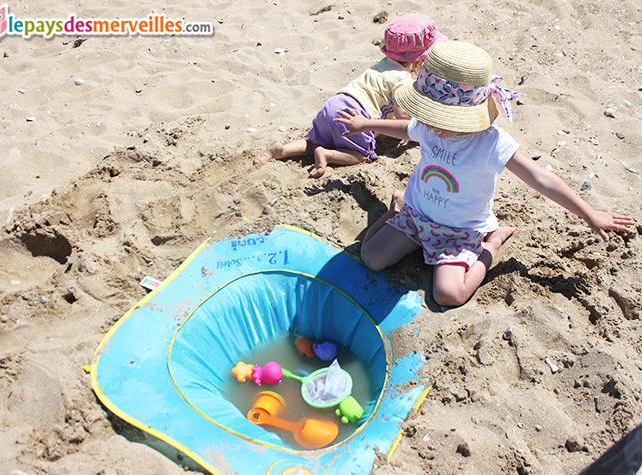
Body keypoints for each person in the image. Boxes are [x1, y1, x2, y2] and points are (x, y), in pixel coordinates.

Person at [335, 40, 636, 307]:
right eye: (427, 113)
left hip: (460, 233)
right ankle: (399, 208)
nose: (429, 123)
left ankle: (492, 244)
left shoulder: (490, 143)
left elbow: (540, 178)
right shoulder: (428, 126)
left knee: (447, 294)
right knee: (370, 257)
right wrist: (366, 124)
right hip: (417, 215)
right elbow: (406, 129)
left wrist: (588, 213)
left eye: (439, 116)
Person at [253, 13, 448, 178]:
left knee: (313, 142)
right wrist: (421, 129)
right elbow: (402, 116)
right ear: (419, 59)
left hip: (333, 104)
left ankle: (282, 150)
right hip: (355, 115)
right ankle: (328, 155)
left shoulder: (381, 65)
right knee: (360, 154)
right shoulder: (403, 79)